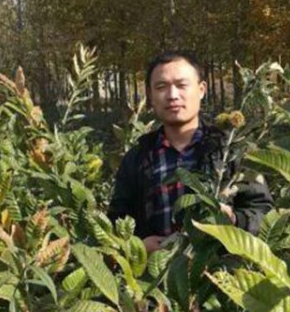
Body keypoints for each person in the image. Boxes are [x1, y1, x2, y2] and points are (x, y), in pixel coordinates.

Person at [108, 51, 273, 253]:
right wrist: (136, 248)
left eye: (181, 85)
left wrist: (235, 220)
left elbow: (263, 211)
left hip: (222, 275)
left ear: (202, 89)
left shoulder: (232, 150)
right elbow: (117, 220)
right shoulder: (137, 158)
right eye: (161, 87)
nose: (172, 95)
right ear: (150, 96)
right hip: (155, 277)